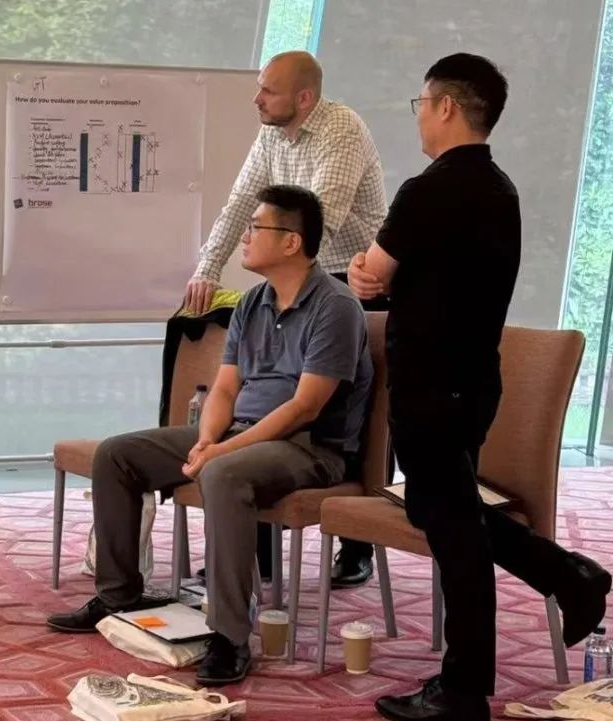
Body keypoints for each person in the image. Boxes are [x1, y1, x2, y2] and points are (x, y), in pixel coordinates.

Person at [348, 53, 610, 721]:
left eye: (421, 104)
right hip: (471, 380)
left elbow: (373, 272)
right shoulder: (500, 188)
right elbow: (438, 280)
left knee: (453, 530)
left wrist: (364, 272)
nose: (419, 118)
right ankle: (569, 575)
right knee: (444, 510)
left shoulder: (427, 189)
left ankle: (464, 689)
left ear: (445, 106)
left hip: (431, 383)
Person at [48, 184, 373, 687]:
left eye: (256, 227)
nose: (244, 236)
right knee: (117, 455)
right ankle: (118, 595)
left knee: (223, 472)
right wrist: (206, 438)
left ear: (291, 241)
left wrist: (221, 449)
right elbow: (224, 387)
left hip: (309, 448)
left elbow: (303, 408)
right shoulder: (253, 302)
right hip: (240, 436)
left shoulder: (336, 306)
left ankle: (229, 635)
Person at [186, 50, 387, 589]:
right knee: (267, 398)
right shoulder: (272, 134)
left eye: (268, 91)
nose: (257, 99)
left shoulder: (341, 129)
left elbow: (317, 219)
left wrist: (282, 260)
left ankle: (357, 541)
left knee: (348, 419)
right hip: (299, 269)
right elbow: (241, 203)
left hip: (353, 281)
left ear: (304, 98)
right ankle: (257, 551)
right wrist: (207, 267)